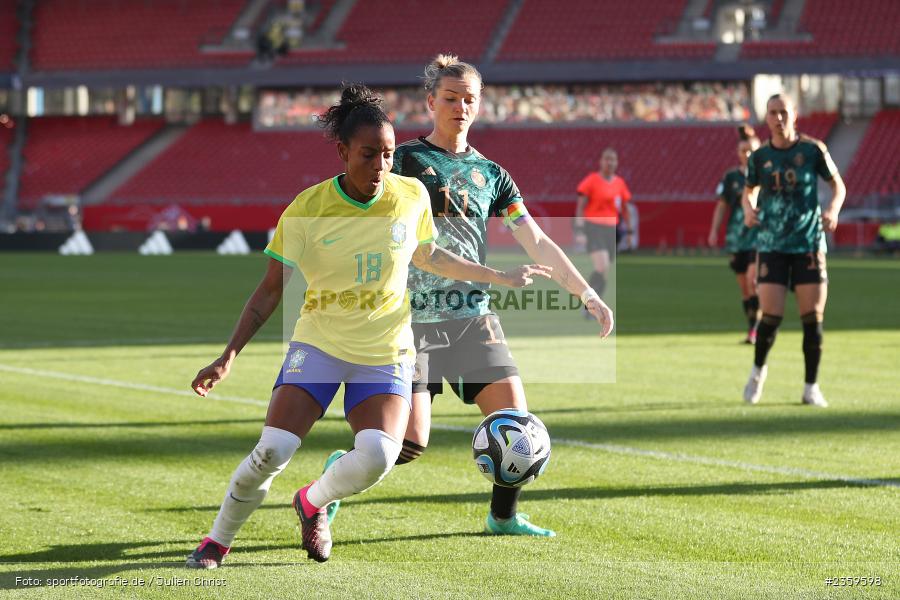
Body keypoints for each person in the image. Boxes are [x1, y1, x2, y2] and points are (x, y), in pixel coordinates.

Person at [185, 84, 550, 567]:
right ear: (342, 152)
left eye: (389, 154)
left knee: (380, 454)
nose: (381, 166)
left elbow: (431, 256)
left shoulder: (410, 194)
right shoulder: (307, 208)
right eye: (369, 154)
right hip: (320, 342)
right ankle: (218, 540)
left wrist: (497, 275)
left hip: (386, 350)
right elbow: (269, 290)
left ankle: (311, 501)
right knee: (273, 449)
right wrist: (228, 355)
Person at [327, 54, 614, 537]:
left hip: (472, 318)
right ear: (431, 101)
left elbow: (537, 241)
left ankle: (502, 517)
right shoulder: (407, 161)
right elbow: (394, 230)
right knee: (409, 444)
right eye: (451, 98)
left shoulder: (493, 175)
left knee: (516, 423)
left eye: (469, 99)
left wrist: (586, 292)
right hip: (412, 322)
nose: (460, 107)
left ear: (479, 106)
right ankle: (339, 473)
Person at [741, 93, 846, 407]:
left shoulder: (813, 150)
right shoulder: (758, 158)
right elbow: (749, 192)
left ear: (795, 114)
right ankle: (758, 371)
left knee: (812, 318)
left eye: (784, 112)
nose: (779, 118)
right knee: (770, 316)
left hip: (809, 244)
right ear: (767, 117)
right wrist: (749, 209)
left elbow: (838, 185)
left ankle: (811, 386)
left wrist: (834, 209)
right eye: (773, 113)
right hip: (772, 244)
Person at [708, 124, 762, 344]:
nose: (747, 155)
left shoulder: (765, 174)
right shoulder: (730, 177)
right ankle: (752, 329)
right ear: (738, 153)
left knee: (753, 280)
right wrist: (714, 230)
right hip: (736, 237)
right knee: (745, 289)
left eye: (751, 151)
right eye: (743, 151)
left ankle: (758, 330)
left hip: (759, 235)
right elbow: (721, 206)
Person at [575, 147, 633, 304]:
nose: (610, 162)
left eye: (613, 159)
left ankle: (591, 301)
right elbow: (581, 206)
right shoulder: (592, 180)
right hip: (594, 228)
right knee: (602, 266)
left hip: (612, 230)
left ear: (617, 162)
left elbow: (625, 210)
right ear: (600, 162)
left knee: (604, 270)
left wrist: (628, 232)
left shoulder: (620, 183)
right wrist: (580, 230)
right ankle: (588, 303)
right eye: (607, 159)